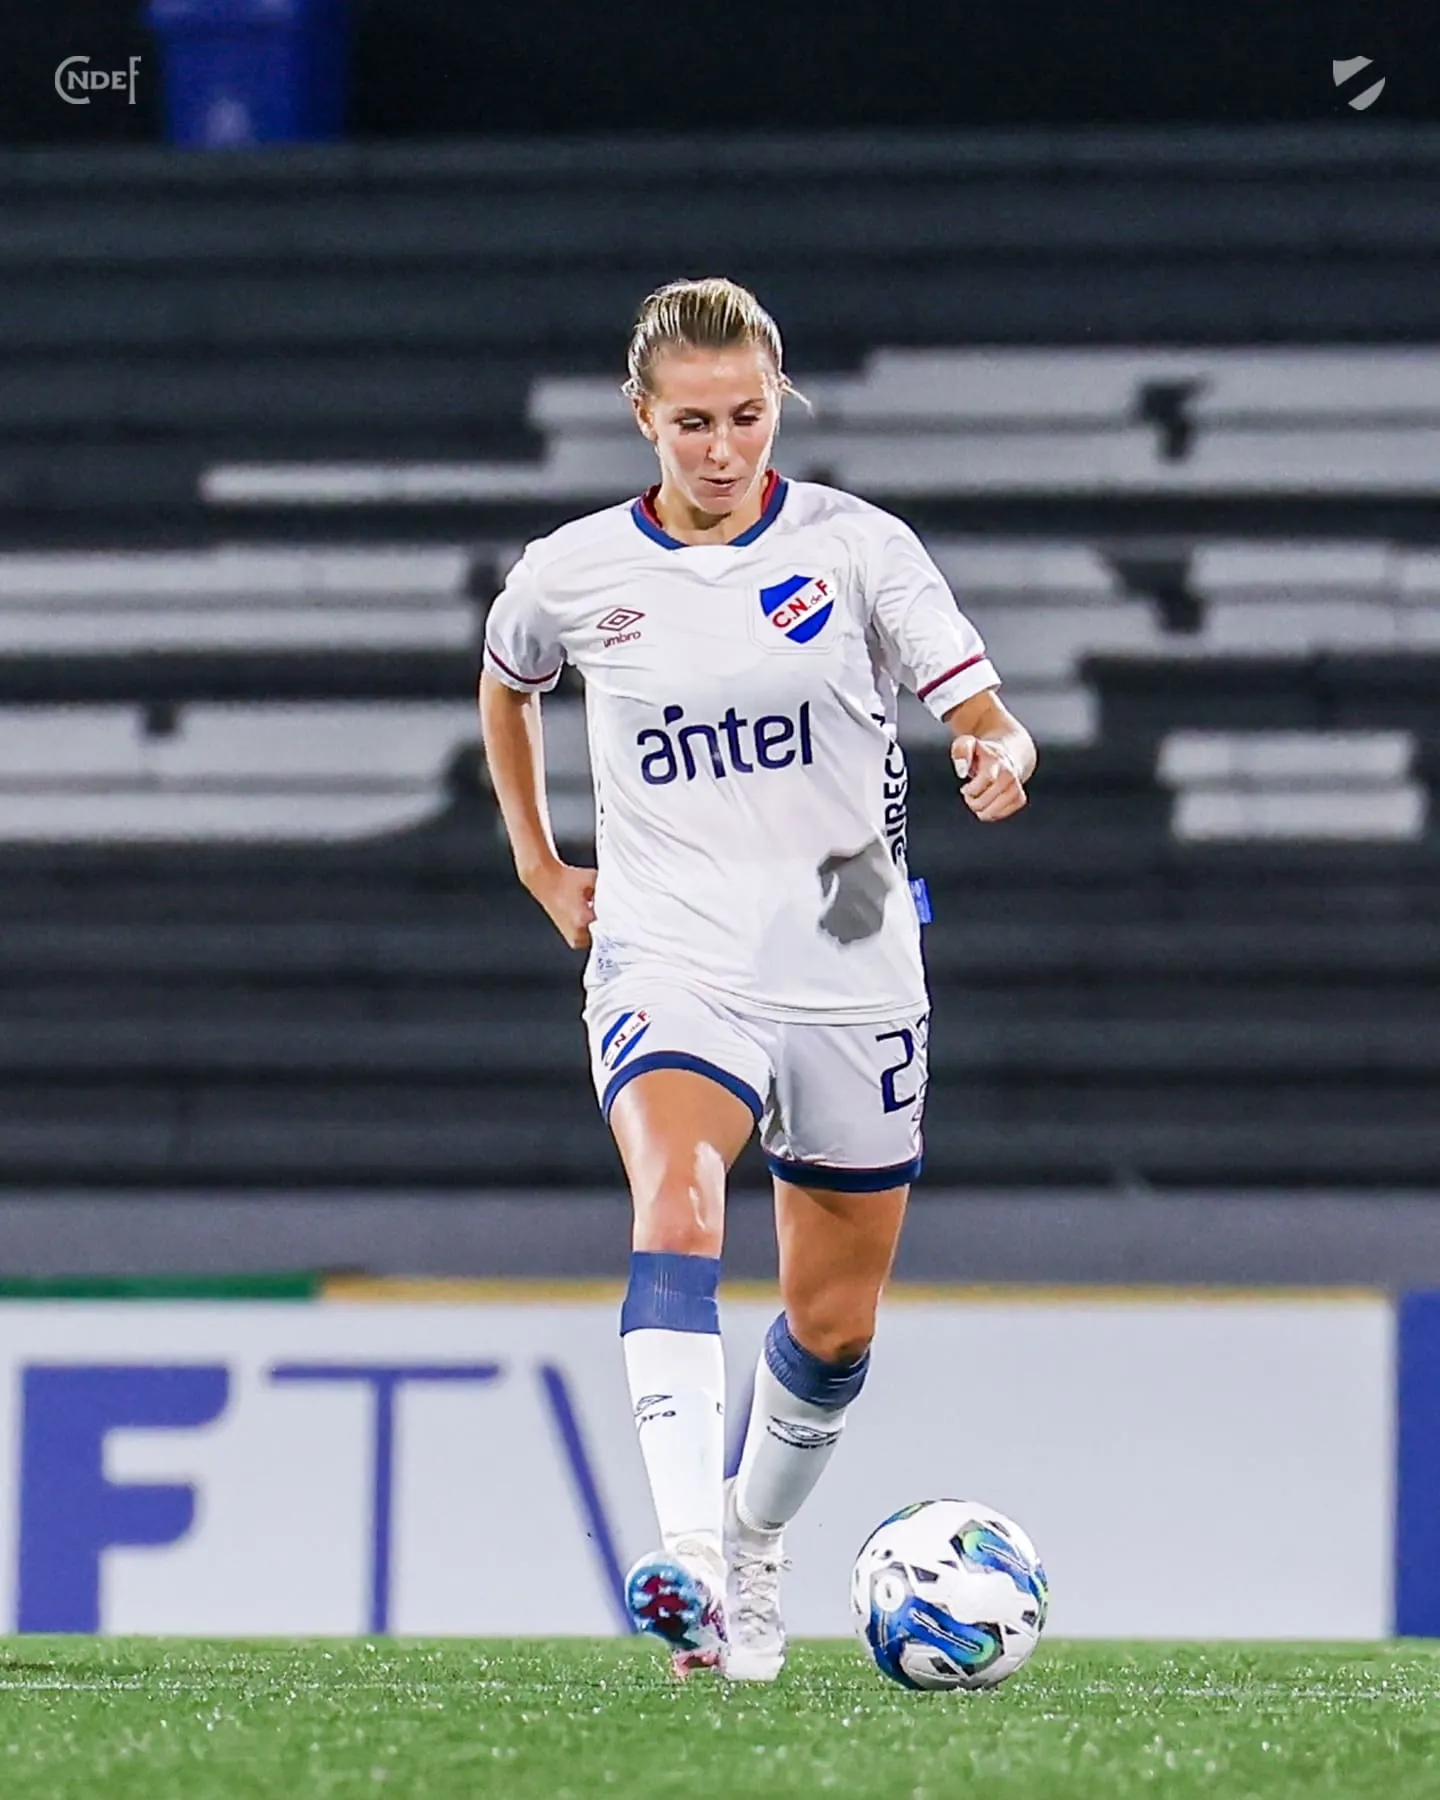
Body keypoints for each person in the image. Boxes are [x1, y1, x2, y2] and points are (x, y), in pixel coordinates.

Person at [478, 277, 1035, 1681]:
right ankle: (687, 1563)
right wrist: (541, 864)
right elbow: (508, 678)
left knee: (833, 1328)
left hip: (850, 954)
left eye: (744, 416)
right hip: (669, 954)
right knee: (675, 1195)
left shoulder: (859, 549)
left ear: (776, 402)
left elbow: (985, 710)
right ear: (642, 419)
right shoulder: (574, 573)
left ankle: (752, 1541)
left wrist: (995, 752)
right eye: (692, 424)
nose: (721, 448)